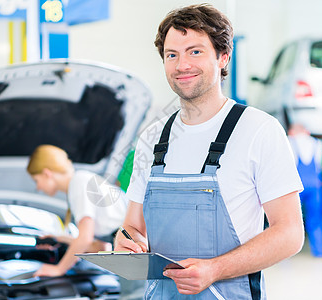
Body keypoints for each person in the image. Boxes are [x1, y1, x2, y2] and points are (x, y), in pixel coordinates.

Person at [114, 4, 305, 299]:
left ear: (222, 56)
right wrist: (126, 242)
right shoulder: (152, 138)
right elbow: (132, 226)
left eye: (195, 51)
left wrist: (215, 269)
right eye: (171, 55)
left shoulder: (259, 130)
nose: (182, 65)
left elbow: (290, 234)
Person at [26, 144, 128, 277]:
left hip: (133, 251)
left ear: (47, 173)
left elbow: (85, 239)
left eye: (36, 180)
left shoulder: (79, 183)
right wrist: (60, 239)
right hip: (128, 251)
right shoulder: (80, 180)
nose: (38, 187)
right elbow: (101, 247)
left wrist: (58, 269)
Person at [288, 124, 322, 257]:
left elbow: (289, 165)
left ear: (292, 131)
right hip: (315, 185)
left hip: (296, 186)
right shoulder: (317, 143)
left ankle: (286, 252)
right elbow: (318, 165)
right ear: (307, 131)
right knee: (316, 218)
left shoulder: (289, 141)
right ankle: (320, 251)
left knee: (290, 220)